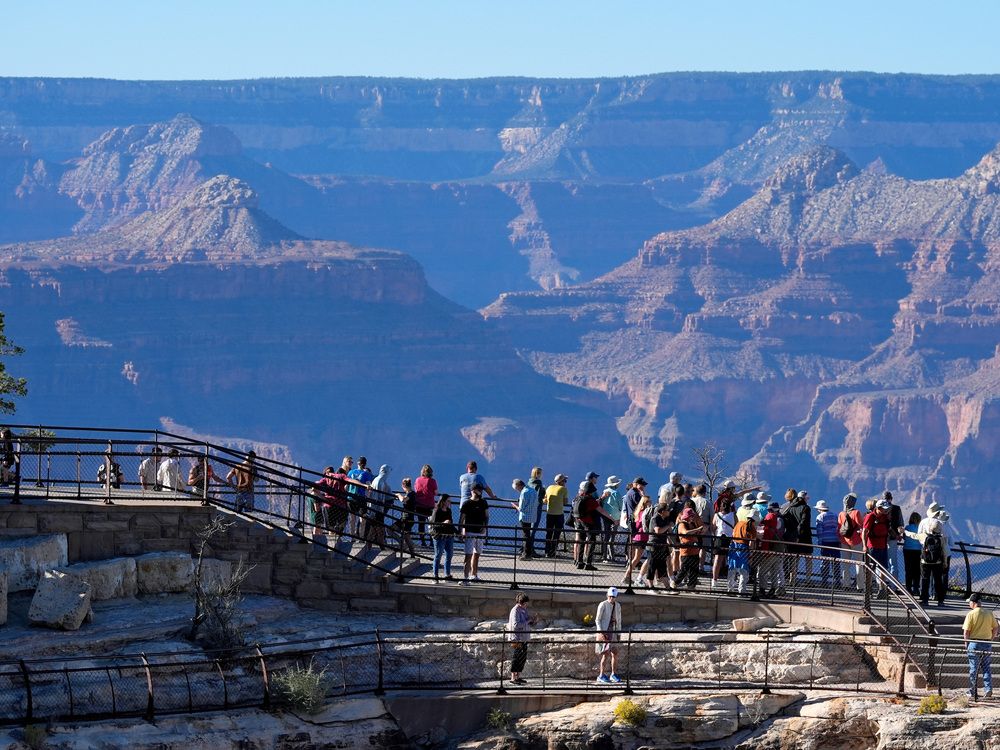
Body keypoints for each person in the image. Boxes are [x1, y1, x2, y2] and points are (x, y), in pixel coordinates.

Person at [905, 516, 947, 607]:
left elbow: (913, 535)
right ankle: (940, 601)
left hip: (925, 562)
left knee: (925, 580)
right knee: (938, 581)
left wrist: (904, 532)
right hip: (938, 562)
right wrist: (945, 562)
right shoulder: (941, 538)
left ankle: (925, 600)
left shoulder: (924, 536)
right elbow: (944, 551)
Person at [573, 480, 614, 570]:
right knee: (592, 541)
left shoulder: (578, 497)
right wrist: (612, 519)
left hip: (578, 521)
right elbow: (601, 510)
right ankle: (588, 563)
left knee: (581, 541)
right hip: (588, 522)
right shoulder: (590, 500)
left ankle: (579, 562)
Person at [965, 592, 998, 699]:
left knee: (973, 668)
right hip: (987, 643)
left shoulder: (971, 614)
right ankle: (988, 689)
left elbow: (966, 632)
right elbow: (996, 627)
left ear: (973, 603)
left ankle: (972, 690)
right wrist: (991, 638)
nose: (969, 604)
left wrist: (966, 644)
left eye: (969, 602)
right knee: (986, 667)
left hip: (974, 643)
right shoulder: (989, 613)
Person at [861, 498, 892, 597]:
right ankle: (868, 590)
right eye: (884, 508)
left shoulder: (885, 517)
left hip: (883, 546)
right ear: (878, 508)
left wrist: (897, 535)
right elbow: (864, 532)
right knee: (870, 568)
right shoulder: (870, 517)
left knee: (883, 569)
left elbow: (888, 529)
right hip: (872, 547)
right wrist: (864, 546)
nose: (886, 510)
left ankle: (882, 589)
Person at [460, 485, 489, 584]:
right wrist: (462, 530)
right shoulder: (467, 503)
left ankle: (474, 575)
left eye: (481, 490)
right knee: (468, 555)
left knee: (477, 554)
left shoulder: (483, 502)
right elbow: (462, 518)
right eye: (478, 490)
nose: (480, 492)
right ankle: (465, 578)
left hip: (480, 532)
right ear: (473, 490)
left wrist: (485, 528)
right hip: (470, 531)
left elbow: (487, 516)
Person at [595, 587, 623, 684]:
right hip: (605, 632)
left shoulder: (618, 606)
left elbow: (619, 620)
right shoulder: (603, 604)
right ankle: (601, 675)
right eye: (610, 596)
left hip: (613, 631)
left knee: (615, 653)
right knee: (605, 654)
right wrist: (600, 632)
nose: (612, 599)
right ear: (607, 596)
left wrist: (619, 633)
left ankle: (613, 674)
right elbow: (597, 619)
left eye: (614, 597)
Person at [837, 493, 865, 591]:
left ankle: (846, 585)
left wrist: (841, 539)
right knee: (859, 564)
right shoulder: (856, 513)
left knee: (845, 564)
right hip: (856, 541)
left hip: (844, 541)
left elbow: (839, 528)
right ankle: (860, 586)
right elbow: (861, 526)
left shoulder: (841, 514)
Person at [623, 493, 651, 587]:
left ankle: (627, 576)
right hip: (642, 537)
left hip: (637, 537)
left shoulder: (636, 512)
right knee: (638, 558)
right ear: (645, 503)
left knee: (636, 558)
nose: (650, 503)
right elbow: (640, 526)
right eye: (649, 502)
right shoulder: (644, 513)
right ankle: (628, 576)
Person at [674, 502, 704, 591]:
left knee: (694, 569)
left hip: (694, 550)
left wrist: (699, 531)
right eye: (691, 516)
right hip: (686, 550)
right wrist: (697, 529)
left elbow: (696, 532)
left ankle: (691, 586)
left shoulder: (693, 523)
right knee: (684, 569)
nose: (693, 517)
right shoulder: (682, 524)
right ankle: (675, 583)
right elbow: (685, 532)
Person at [507, 593, 535, 685]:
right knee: (516, 657)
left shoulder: (523, 609)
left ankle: (518, 677)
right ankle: (513, 677)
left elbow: (526, 621)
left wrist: (533, 621)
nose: (526, 605)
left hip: (524, 638)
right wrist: (527, 621)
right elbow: (516, 625)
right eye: (525, 603)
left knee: (522, 658)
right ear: (520, 602)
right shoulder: (515, 611)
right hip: (516, 638)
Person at [363, 464, 392, 552]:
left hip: (374, 508)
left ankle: (370, 546)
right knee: (379, 529)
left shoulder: (377, 479)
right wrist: (380, 508)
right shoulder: (381, 481)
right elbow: (380, 496)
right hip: (377, 509)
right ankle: (380, 547)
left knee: (374, 529)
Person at [758, 500, 785, 596]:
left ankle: (762, 589)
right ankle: (773, 589)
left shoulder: (770, 521)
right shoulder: (780, 520)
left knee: (762, 571)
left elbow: (767, 539)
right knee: (774, 570)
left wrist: (765, 552)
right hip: (778, 548)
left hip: (771, 550)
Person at [646, 503, 674, 591]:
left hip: (662, 546)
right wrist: (668, 526)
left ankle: (667, 587)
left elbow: (668, 530)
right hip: (654, 545)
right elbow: (658, 530)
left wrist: (670, 526)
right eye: (667, 510)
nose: (669, 511)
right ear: (662, 511)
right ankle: (650, 587)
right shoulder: (655, 519)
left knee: (662, 566)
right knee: (652, 566)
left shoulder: (665, 519)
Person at [712, 495, 736, 591]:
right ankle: (730, 580)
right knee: (731, 560)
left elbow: (713, 527)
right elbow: (736, 526)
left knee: (717, 560)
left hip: (719, 538)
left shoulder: (717, 515)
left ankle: (714, 579)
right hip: (730, 538)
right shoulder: (733, 515)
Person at [814, 499, 841, 589]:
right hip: (835, 541)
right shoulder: (834, 515)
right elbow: (838, 528)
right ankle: (837, 581)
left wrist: (820, 542)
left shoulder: (820, 517)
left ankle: (824, 582)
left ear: (819, 509)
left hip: (825, 542)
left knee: (825, 562)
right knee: (836, 562)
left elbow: (819, 531)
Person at [430, 494, 457, 582]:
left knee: (449, 555)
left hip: (449, 535)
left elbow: (451, 523)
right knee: (438, 555)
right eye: (449, 501)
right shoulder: (436, 511)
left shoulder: (448, 510)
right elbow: (433, 525)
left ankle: (447, 575)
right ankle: (435, 576)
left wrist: (457, 532)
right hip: (439, 536)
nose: (450, 503)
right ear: (443, 501)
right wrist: (443, 523)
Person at [728, 514, 756, 595]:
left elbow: (732, 535)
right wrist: (751, 555)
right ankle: (741, 591)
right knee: (744, 571)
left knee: (732, 569)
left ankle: (730, 589)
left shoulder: (739, 523)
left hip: (734, 547)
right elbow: (751, 543)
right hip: (744, 549)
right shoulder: (752, 528)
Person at [510, 478, 537, 559]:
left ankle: (526, 554)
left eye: (517, 489)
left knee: (525, 536)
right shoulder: (533, 490)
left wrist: (515, 506)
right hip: (532, 515)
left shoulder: (524, 492)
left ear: (519, 486)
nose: (517, 490)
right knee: (528, 535)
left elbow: (521, 508)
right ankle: (529, 553)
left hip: (525, 517)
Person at [346, 456, 373, 537]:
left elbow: (346, 485)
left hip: (351, 496)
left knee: (352, 518)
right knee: (362, 519)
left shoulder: (351, 473)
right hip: (361, 497)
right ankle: (361, 537)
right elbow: (368, 485)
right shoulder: (366, 474)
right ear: (364, 464)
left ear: (358, 463)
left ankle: (352, 536)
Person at [544, 474, 568, 557]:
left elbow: (545, 500)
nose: (565, 482)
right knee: (556, 534)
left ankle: (546, 552)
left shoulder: (549, 487)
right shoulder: (563, 489)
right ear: (561, 482)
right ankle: (552, 552)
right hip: (559, 514)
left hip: (549, 513)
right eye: (565, 480)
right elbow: (565, 503)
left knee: (548, 533)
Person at [600, 476, 624, 562]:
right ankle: (612, 557)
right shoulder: (616, 493)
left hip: (605, 516)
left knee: (606, 536)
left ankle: (605, 556)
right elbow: (621, 505)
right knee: (612, 538)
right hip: (615, 518)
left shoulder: (604, 492)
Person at [413, 464, 438, 547]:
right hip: (430, 505)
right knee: (431, 524)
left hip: (419, 505)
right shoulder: (432, 481)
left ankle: (423, 542)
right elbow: (435, 492)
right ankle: (431, 542)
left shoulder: (417, 480)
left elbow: (416, 490)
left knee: (421, 524)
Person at [883, 491, 905, 584]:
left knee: (881, 562)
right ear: (891, 498)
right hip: (892, 538)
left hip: (880, 538)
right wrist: (899, 535)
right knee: (893, 563)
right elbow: (901, 524)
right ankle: (893, 586)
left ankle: (882, 585)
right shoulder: (897, 508)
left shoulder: (879, 508)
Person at [902, 512, 922, 596]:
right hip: (917, 550)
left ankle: (908, 588)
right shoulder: (920, 528)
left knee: (908, 569)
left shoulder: (907, 527)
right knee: (917, 570)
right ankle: (916, 588)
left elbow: (904, 537)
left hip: (907, 550)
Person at [528, 467, 545, 555]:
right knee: (533, 529)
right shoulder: (538, 483)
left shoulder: (529, 482)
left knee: (528, 529)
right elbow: (539, 496)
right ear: (537, 474)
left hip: (528, 508)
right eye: (540, 473)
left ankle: (525, 548)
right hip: (536, 508)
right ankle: (531, 550)